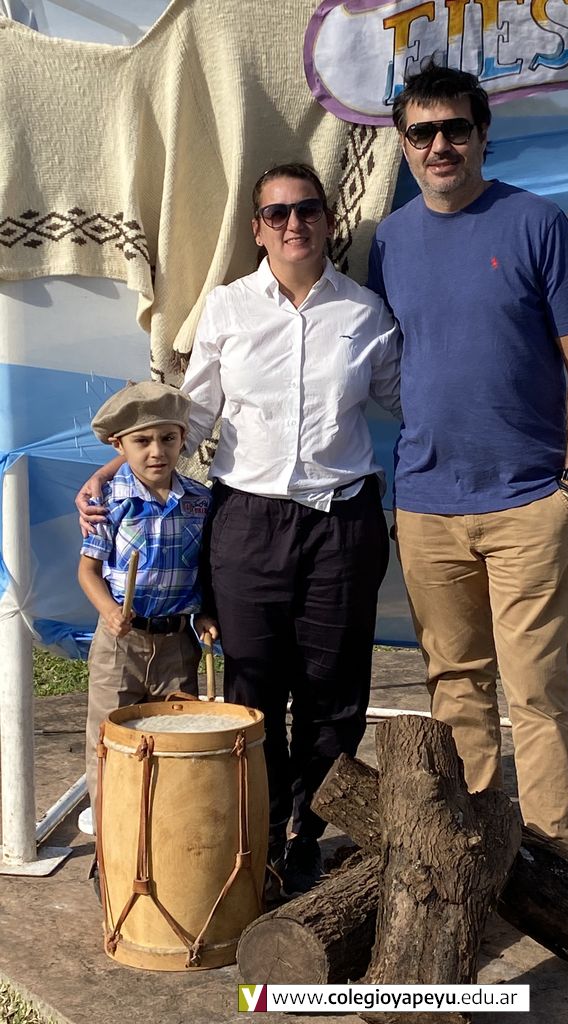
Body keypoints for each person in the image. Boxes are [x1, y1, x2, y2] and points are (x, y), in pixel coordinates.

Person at [79, 163, 401, 895]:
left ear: (328, 221)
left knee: (334, 689)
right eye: (277, 213)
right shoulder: (226, 308)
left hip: (342, 523)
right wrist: (113, 470)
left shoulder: (365, 312)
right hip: (248, 522)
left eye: (307, 209)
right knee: (253, 685)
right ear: (257, 228)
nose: (294, 224)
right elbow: (188, 418)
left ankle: (305, 835)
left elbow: (410, 399)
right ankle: (256, 832)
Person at [367, 64, 568, 848]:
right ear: (404, 144)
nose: (440, 145)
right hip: (426, 504)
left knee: (536, 691)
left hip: (531, 502)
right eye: (422, 132)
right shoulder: (388, 241)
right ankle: (476, 856)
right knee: (456, 688)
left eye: (455, 129)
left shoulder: (537, 223)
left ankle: (552, 858)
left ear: (481, 135)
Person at [78, 381, 217, 833]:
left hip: (177, 645)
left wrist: (205, 613)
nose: (156, 452)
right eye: (142, 441)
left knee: (173, 744)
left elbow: (204, 569)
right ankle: (111, 845)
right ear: (119, 445)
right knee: (110, 745)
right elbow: (88, 572)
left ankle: (163, 843)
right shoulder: (107, 501)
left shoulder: (200, 501)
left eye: (167, 438)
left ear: (182, 439)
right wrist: (108, 610)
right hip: (121, 645)